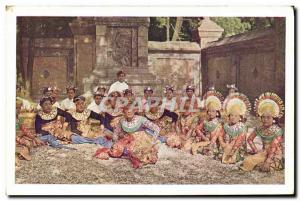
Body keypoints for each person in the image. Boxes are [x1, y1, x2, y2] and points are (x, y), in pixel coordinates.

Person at [93, 105, 160, 169]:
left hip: (140, 139)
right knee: (116, 149)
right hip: (127, 140)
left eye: (131, 110)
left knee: (141, 153)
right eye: (127, 111)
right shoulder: (122, 120)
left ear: (134, 111)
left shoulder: (141, 119)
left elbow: (157, 128)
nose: (129, 112)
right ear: (124, 112)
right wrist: (115, 141)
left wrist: (152, 141)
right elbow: (116, 132)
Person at [240, 92, 284, 172]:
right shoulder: (259, 128)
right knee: (247, 161)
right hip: (263, 153)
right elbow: (249, 139)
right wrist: (256, 150)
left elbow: (273, 147)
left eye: (268, 117)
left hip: (275, 155)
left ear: (273, 119)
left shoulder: (278, 130)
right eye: (263, 117)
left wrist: (268, 160)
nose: (265, 120)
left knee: (267, 168)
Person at [192, 87, 225, 156]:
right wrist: (203, 137)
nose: (210, 113)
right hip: (205, 141)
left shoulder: (219, 123)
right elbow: (197, 129)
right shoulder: (205, 121)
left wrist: (210, 144)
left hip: (214, 144)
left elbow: (216, 136)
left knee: (208, 151)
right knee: (193, 148)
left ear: (217, 113)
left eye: (213, 111)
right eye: (209, 111)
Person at [220, 92, 251, 164]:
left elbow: (239, 140)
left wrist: (232, 149)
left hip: (238, 148)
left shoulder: (242, 127)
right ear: (229, 116)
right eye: (231, 115)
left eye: (236, 116)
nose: (233, 118)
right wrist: (222, 143)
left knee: (231, 157)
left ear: (240, 117)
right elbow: (221, 135)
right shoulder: (226, 125)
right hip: (226, 146)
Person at [16, 99, 44, 166]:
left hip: (18, 137)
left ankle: (20, 152)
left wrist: (34, 138)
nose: (18, 110)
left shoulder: (19, 119)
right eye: (16, 108)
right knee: (26, 143)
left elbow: (24, 130)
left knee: (31, 141)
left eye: (19, 108)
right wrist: (20, 139)